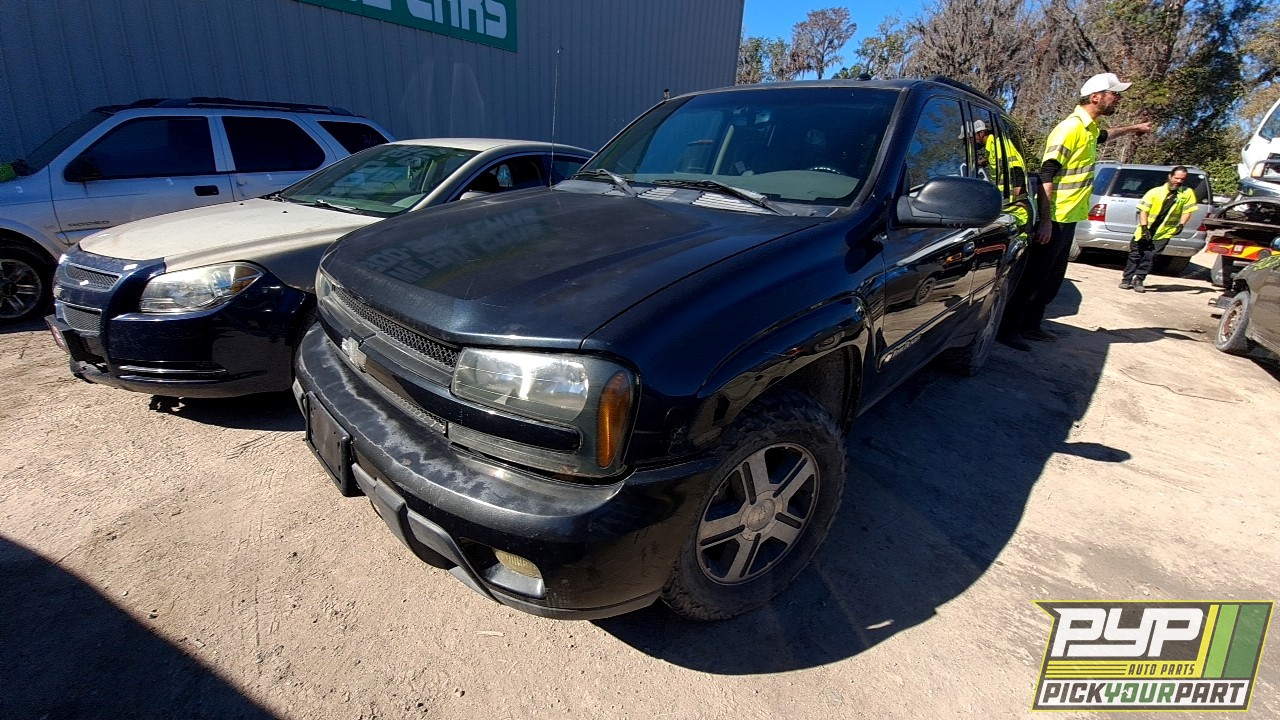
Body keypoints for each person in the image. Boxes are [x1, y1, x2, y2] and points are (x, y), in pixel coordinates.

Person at [999, 73, 1153, 351]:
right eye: (1114, 93)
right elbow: (1047, 174)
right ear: (1096, 97)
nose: (1117, 98)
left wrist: (1133, 128)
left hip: (1069, 217)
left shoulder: (1089, 129)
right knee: (1034, 277)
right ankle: (1009, 329)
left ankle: (1031, 325)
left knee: (1051, 279)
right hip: (1055, 216)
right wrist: (1045, 221)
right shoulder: (1069, 129)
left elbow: (1105, 136)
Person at [1120, 166, 1196, 292]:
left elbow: (1188, 210)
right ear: (1170, 177)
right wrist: (1144, 228)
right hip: (1146, 229)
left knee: (1150, 256)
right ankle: (1126, 279)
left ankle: (1139, 279)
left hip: (1164, 232)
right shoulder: (1155, 192)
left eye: (1182, 179)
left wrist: (1181, 224)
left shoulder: (1187, 193)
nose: (1178, 181)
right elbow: (1143, 210)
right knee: (1135, 254)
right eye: (1176, 178)